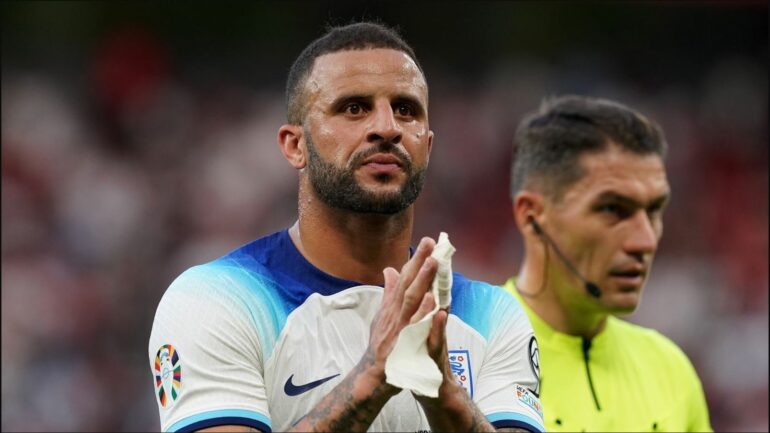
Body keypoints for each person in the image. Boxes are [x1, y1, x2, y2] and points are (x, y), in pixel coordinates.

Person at [149, 22, 544, 433]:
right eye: (355, 108)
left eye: (405, 110)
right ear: (295, 145)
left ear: (427, 147)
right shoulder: (217, 300)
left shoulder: (491, 313)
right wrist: (371, 378)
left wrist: (446, 398)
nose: (387, 127)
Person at [503, 95, 712, 432]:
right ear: (532, 217)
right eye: (613, 209)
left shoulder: (671, 370)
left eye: (654, 210)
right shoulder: (465, 354)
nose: (645, 241)